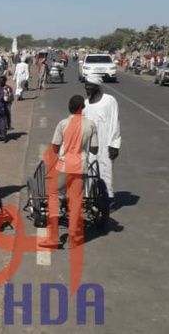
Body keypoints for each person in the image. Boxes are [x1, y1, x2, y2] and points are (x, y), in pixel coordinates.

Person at [48, 95, 99, 246]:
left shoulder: (63, 124)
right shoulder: (90, 125)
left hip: (64, 166)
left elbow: (55, 147)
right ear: (82, 108)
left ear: (69, 107)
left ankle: (54, 237)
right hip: (80, 167)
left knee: (54, 196)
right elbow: (95, 149)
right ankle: (73, 237)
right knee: (76, 201)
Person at [82, 75, 121, 205]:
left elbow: (115, 123)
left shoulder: (109, 101)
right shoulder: (86, 104)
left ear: (97, 86)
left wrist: (115, 144)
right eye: (86, 85)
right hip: (89, 144)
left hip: (105, 142)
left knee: (105, 169)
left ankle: (108, 197)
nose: (87, 88)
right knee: (88, 169)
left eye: (90, 85)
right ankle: (89, 197)